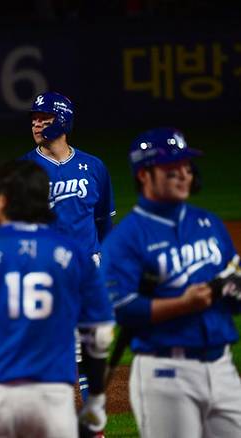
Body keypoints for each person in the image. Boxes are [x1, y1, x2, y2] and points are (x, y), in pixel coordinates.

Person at [0, 159, 114, 437]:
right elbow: (99, 336)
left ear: (3, 201)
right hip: (51, 395)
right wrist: (96, 399)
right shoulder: (73, 254)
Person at [101, 128, 241, 438]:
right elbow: (121, 308)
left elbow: (235, 287)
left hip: (223, 368)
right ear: (144, 175)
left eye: (187, 166)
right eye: (171, 168)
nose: (183, 174)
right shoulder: (126, 239)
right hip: (166, 374)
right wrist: (182, 304)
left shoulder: (209, 224)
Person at [20, 91, 115, 400]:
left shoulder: (94, 167)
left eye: (43, 118)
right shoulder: (25, 170)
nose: (35, 124)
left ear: (61, 120)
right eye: (33, 118)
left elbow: (103, 221)